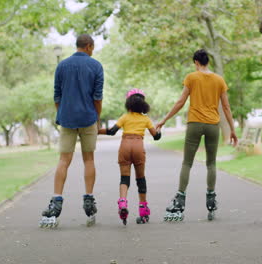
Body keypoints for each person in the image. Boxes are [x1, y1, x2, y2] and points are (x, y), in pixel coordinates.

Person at [155, 49, 238, 222]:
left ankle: (180, 197)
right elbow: (226, 107)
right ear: (207, 61)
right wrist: (232, 129)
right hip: (213, 125)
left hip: (194, 124)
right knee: (211, 163)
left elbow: (180, 102)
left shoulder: (192, 77)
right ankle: (211, 197)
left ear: (196, 62)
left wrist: (164, 120)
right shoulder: (219, 80)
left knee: (187, 162)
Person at [39, 34, 104, 228]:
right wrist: (97, 118)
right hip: (88, 118)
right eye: (93, 47)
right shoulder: (96, 66)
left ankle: (56, 200)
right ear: (89, 46)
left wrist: (64, 113)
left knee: (63, 160)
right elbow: (97, 98)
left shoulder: (62, 66)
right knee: (89, 159)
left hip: (67, 120)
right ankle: (89, 199)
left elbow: (57, 95)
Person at [99, 89, 161, 225]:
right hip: (138, 146)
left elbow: (111, 132)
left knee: (124, 178)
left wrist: (97, 131)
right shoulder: (145, 119)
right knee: (140, 179)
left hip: (125, 146)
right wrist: (159, 131)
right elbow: (156, 136)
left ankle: (122, 203)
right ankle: (143, 211)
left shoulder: (125, 117)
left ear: (129, 103)